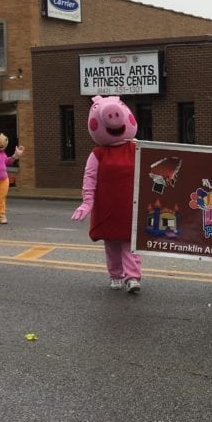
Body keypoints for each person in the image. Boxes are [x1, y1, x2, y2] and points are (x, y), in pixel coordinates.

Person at [71, 95, 142, 294]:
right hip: (107, 207)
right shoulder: (98, 153)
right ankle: (116, 275)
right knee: (111, 242)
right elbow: (89, 178)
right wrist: (87, 202)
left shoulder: (136, 148)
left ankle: (132, 277)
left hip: (131, 205)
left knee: (130, 242)